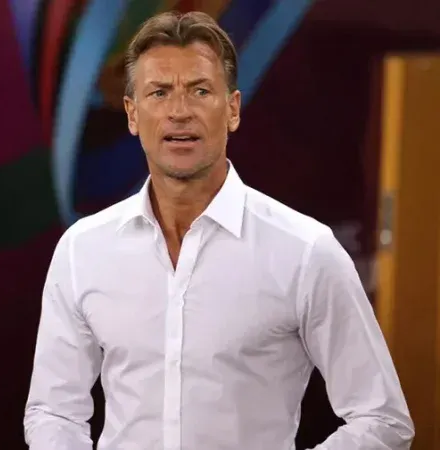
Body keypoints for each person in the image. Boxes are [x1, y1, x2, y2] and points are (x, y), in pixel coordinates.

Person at [23, 10, 414, 450]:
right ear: (132, 114)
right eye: (159, 92)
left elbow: (382, 419)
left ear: (232, 110)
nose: (179, 112)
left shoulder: (305, 251)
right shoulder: (83, 250)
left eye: (200, 91)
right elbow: (53, 411)